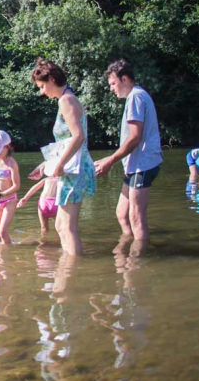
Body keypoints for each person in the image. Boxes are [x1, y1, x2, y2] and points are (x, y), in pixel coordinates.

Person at [24, 59, 95, 255]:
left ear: (53, 79)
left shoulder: (66, 100)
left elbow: (79, 136)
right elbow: (67, 142)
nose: (41, 92)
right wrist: (46, 164)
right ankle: (68, 269)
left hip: (74, 169)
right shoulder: (66, 99)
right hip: (72, 168)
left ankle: (70, 273)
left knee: (66, 227)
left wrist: (59, 165)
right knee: (62, 226)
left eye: (42, 86)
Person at [94, 59, 163, 252]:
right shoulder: (136, 96)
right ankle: (126, 250)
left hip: (143, 164)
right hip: (135, 164)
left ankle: (136, 266)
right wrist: (111, 160)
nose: (111, 89)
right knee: (122, 214)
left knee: (136, 216)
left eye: (113, 84)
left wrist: (110, 161)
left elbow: (134, 138)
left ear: (124, 79)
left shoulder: (136, 97)